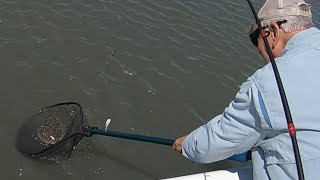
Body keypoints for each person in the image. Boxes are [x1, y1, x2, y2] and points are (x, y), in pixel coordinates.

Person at [172, 0, 320, 179]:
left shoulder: (269, 82)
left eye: (255, 37)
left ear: (272, 31)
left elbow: (213, 144)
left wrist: (187, 145)